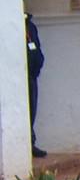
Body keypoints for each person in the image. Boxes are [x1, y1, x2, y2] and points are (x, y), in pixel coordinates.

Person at [25, 11, 45, 157]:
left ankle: (30, 142)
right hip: (22, 74)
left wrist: (38, 64)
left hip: (32, 75)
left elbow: (36, 45)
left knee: (32, 109)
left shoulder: (30, 27)